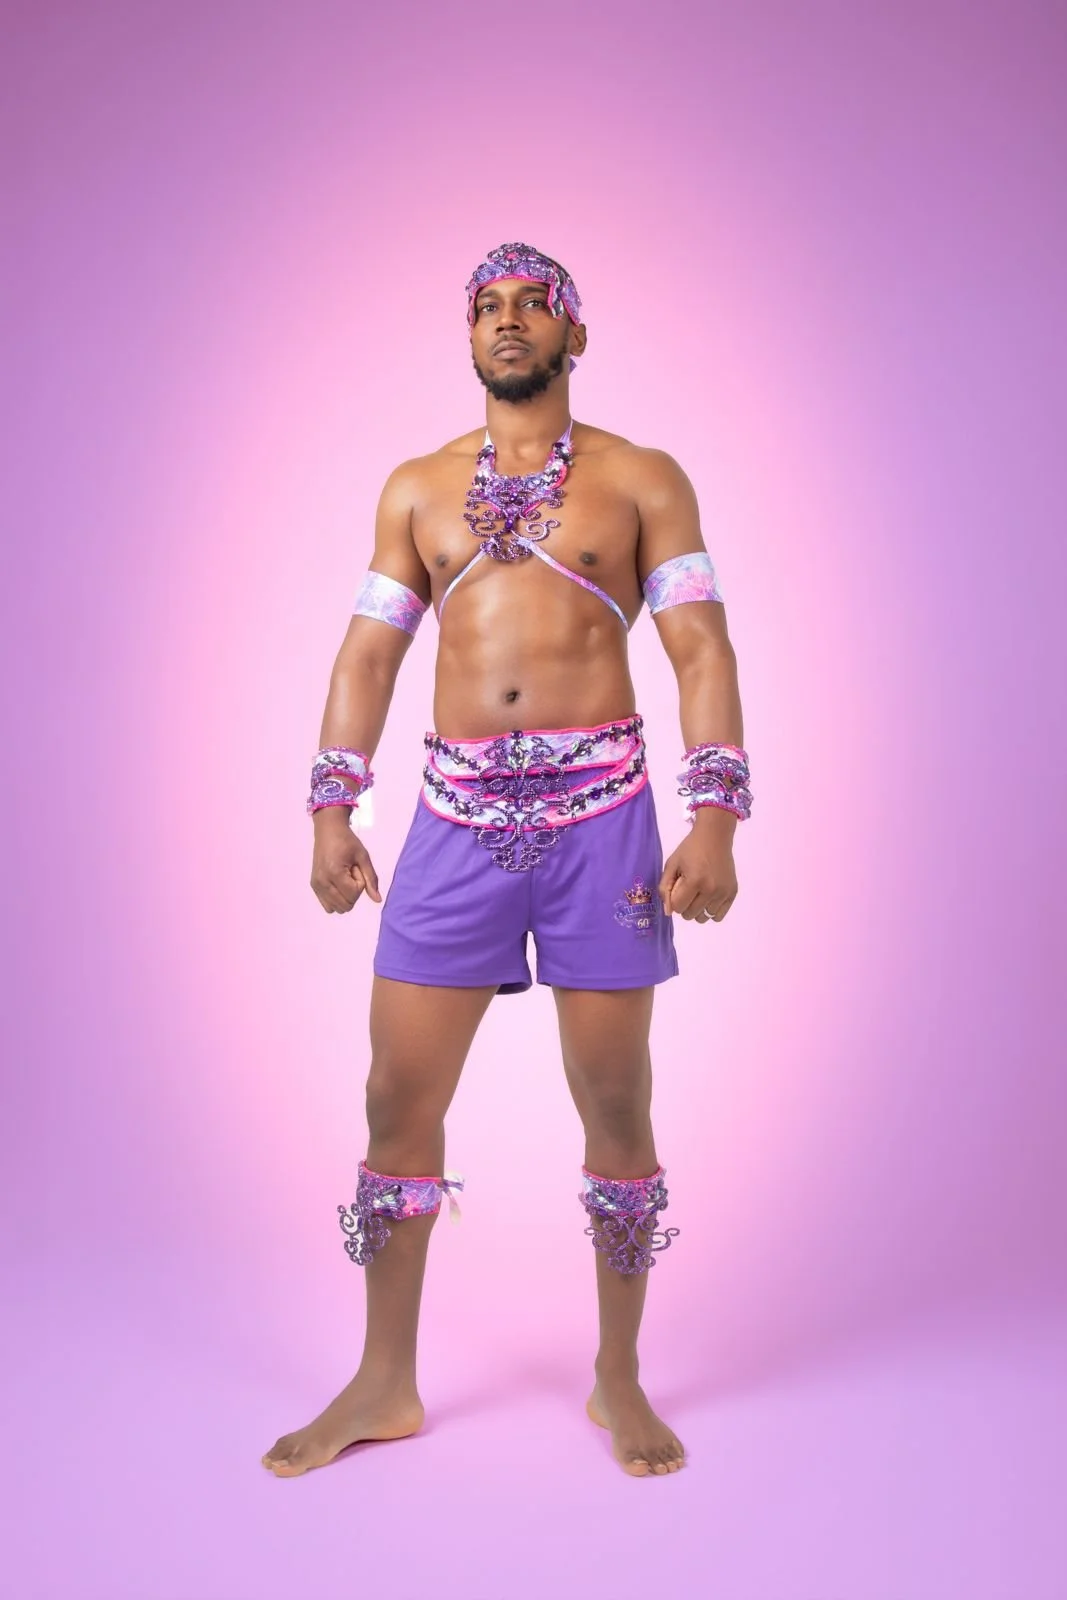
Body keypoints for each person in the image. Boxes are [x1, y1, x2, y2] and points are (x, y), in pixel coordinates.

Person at [261, 242, 752, 1481]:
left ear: (573, 333)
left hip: (603, 823)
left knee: (616, 1101)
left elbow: (699, 648)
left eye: (535, 303)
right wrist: (331, 807)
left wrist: (714, 815)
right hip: (452, 825)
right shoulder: (416, 489)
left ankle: (617, 1374)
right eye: (488, 306)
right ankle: (382, 1380)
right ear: (469, 335)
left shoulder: (643, 479)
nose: (510, 319)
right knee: (394, 1097)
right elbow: (369, 653)